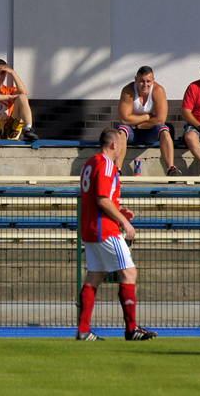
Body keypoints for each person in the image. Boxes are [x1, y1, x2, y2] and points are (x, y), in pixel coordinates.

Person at [76, 128, 157, 342]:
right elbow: (102, 199)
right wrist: (124, 222)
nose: (122, 147)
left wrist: (120, 210)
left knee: (95, 275)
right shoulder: (106, 164)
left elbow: (100, 197)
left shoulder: (91, 162)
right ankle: (131, 329)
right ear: (114, 145)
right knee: (129, 273)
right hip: (105, 228)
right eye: (121, 143)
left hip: (90, 227)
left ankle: (83, 330)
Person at [116, 66, 180, 176]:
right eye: (141, 81)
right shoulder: (128, 90)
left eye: (148, 81)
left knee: (164, 130)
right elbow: (124, 118)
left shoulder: (158, 90)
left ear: (153, 80)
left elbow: (161, 119)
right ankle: (117, 169)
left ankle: (171, 168)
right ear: (136, 79)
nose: (145, 85)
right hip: (132, 131)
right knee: (121, 131)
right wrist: (147, 117)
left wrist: (140, 125)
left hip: (148, 131)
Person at [0, 59, 38, 143]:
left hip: (8, 128)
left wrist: (12, 73)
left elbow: (24, 92)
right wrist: (8, 97)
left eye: (2, 73)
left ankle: (28, 129)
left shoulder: (10, 90)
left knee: (22, 97)